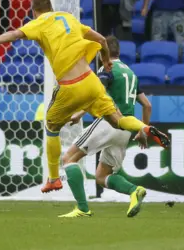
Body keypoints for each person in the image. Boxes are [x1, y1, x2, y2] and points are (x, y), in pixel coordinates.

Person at [0, 0, 170, 195]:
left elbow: (13, 34)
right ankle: (144, 127)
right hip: (91, 80)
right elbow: (100, 39)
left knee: (51, 127)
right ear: (52, 7)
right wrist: (106, 60)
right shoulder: (69, 18)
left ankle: (54, 178)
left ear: (34, 12)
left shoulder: (39, 23)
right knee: (117, 120)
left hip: (70, 85)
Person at [58, 36, 152, 218]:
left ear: (104, 52)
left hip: (109, 122)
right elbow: (147, 105)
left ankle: (83, 208)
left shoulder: (106, 69)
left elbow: (96, 94)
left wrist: (79, 114)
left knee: (69, 158)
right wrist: (142, 131)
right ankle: (135, 190)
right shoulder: (131, 74)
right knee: (102, 176)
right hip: (126, 130)